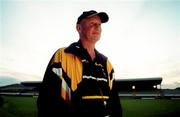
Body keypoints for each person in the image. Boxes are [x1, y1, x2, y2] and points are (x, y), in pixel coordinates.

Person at [37, 10, 122, 117]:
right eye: (92, 23)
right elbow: (47, 101)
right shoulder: (62, 56)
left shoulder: (106, 63)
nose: (98, 27)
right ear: (79, 28)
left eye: (99, 24)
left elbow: (115, 103)